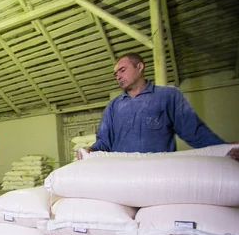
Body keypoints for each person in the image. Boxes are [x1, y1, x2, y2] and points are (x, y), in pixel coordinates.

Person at [80, 53, 238, 160]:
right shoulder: (113, 106)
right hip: (123, 173)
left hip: (159, 173)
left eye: (122, 70)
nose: (119, 77)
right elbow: (104, 142)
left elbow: (194, 131)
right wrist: (90, 150)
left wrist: (223, 149)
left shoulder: (168, 95)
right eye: (116, 74)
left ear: (140, 67)